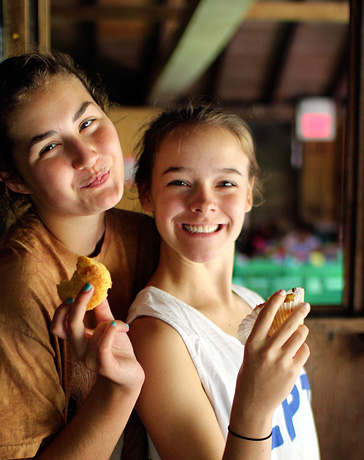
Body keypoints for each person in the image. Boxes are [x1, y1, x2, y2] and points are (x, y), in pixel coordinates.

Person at [0, 51, 159, 460]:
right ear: (12, 177)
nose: (87, 155)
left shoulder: (148, 236)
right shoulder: (11, 290)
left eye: (88, 122)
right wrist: (119, 388)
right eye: (50, 147)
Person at [127, 102, 320, 460]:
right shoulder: (157, 335)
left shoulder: (251, 303)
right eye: (179, 182)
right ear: (146, 193)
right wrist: (255, 405)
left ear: (248, 194)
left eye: (226, 182)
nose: (204, 202)